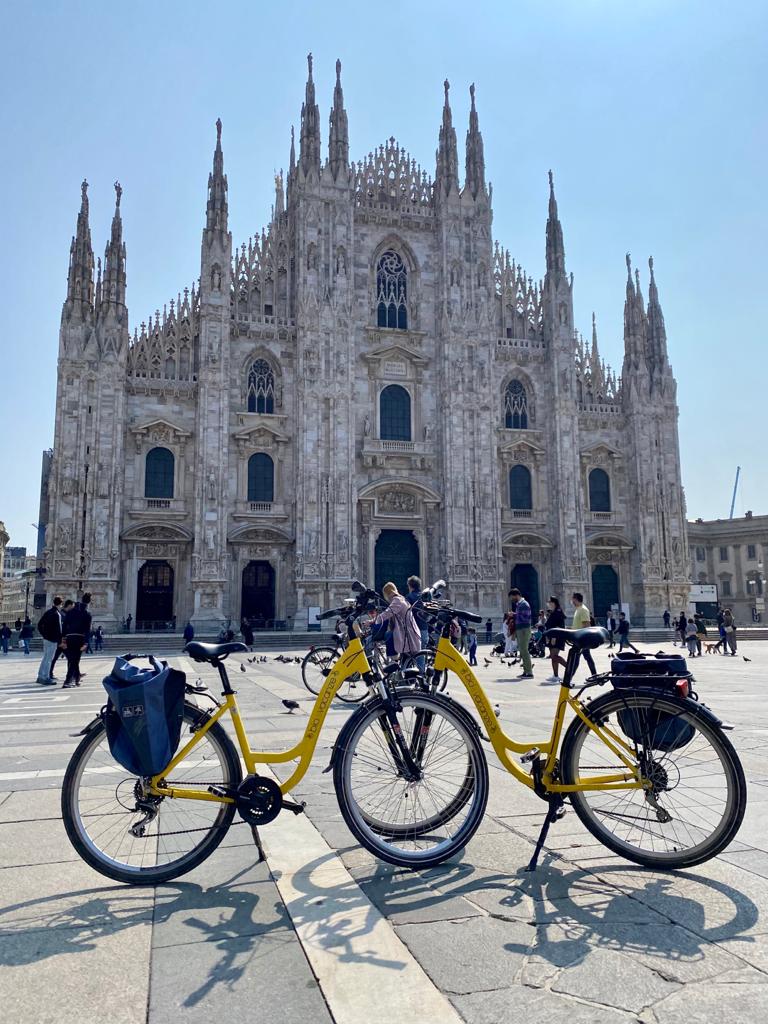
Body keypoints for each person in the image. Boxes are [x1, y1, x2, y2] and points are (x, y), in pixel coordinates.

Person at [374, 582, 421, 660]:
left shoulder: (397, 600)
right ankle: (395, 661)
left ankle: (393, 660)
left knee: (388, 636)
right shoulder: (401, 598)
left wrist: (373, 621)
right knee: (405, 662)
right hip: (408, 633)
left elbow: (387, 613)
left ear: (387, 593)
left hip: (407, 634)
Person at [62, 593, 92, 688]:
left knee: (72, 659)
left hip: (69, 637)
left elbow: (64, 624)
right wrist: (86, 642)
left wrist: (63, 638)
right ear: (89, 601)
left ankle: (76, 678)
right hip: (79, 638)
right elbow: (87, 630)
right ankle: (68, 681)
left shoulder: (71, 611)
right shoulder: (87, 614)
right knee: (75, 660)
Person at [36, 596, 63, 684]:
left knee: (45, 658)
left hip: (46, 639)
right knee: (49, 659)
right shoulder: (57, 614)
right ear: (60, 604)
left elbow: (39, 624)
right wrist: (60, 641)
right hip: (53, 639)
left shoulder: (48, 612)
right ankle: (46, 677)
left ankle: (40, 676)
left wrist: (44, 634)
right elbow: (59, 629)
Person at [406, 576, 430, 672]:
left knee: (408, 655)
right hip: (424, 628)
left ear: (410, 586)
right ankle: (421, 675)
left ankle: (411, 675)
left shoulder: (409, 597)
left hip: (413, 630)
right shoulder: (425, 597)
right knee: (421, 655)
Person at [509, 588, 534, 679]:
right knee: (522, 650)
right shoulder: (519, 605)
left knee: (524, 650)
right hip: (520, 629)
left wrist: (514, 615)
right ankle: (525, 671)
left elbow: (526, 618)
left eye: (512, 597)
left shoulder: (524, 604)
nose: (512, 599)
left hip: (524, 629)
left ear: (516, 595)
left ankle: (529, 672)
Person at [571, 593, 598, 676]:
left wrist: (584, 639)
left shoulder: (583, 609)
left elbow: (586, 625)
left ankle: (569, 678)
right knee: (586, 657)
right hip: (578, 638)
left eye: (572, 599)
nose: (571, 601)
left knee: (576, 659)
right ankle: (594, 675)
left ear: (575, 599)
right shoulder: (578, 609)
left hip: (581, 639)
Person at [542, 596, 567, 685]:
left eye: (549, 603)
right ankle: (556, 675)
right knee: (553, 657)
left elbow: (558, 626)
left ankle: (569, 667)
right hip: (552, 636)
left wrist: (553, 637)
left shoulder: (558, 612)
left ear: (553, 603)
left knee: (554, 656)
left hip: (557, 637)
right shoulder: (554, 612)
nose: (548, 604)